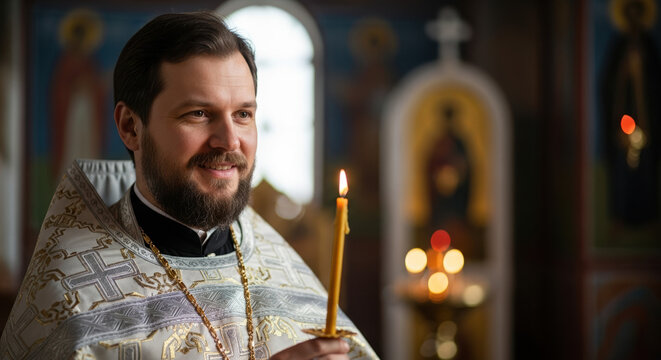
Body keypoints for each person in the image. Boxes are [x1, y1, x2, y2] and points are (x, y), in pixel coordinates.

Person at [0, 12, 377, 360]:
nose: (229, 141)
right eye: (198, 114)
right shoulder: (70, 299)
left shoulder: (280, 265)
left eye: (243, 114)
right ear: (131, 127)